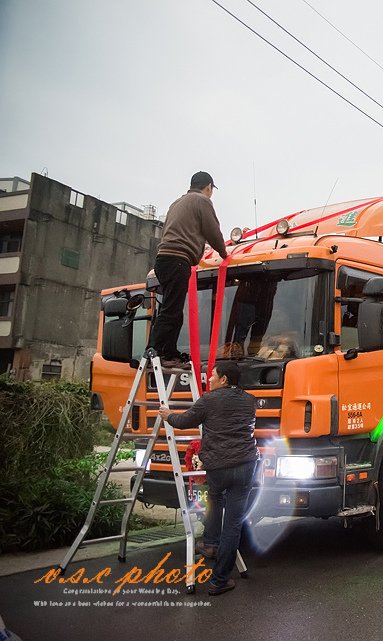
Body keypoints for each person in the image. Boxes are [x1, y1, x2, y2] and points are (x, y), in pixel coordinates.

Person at [159, 361, 257, 596]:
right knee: (233, 524)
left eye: (212, 375)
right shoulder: (249, 400)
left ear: (223, 379)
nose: (208, 379)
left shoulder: (209, 400)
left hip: (218, 467)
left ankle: (211, 544)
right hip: (245, 465)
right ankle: (218, 581)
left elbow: (184, 422)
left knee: (214, 499)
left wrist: (168, 414)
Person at [148, 171, 228, 368]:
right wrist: (224, 254)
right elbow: (213, 231)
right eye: (211, 190)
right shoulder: (202, 201)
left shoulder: (176, 203)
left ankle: (169, 352)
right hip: (178, 259)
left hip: (163, 260)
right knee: (171, 310)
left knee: (173, 309)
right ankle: (154, 351)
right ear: (209, 187)